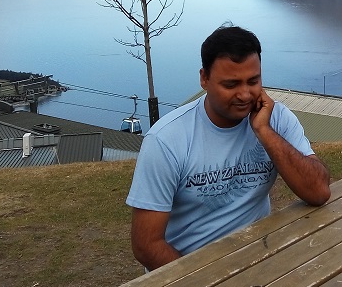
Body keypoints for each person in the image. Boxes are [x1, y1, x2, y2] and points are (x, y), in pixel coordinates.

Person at [126, 25, 331, 270]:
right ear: (204, 78)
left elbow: (318, 192)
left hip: (256, 259)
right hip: (187, 274)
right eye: (231, 84)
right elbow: (146, 245)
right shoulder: (166, 140)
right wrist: (205, 285)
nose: (245, 95)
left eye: (253, 81)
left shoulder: (276, 119)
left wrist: (264, 131)